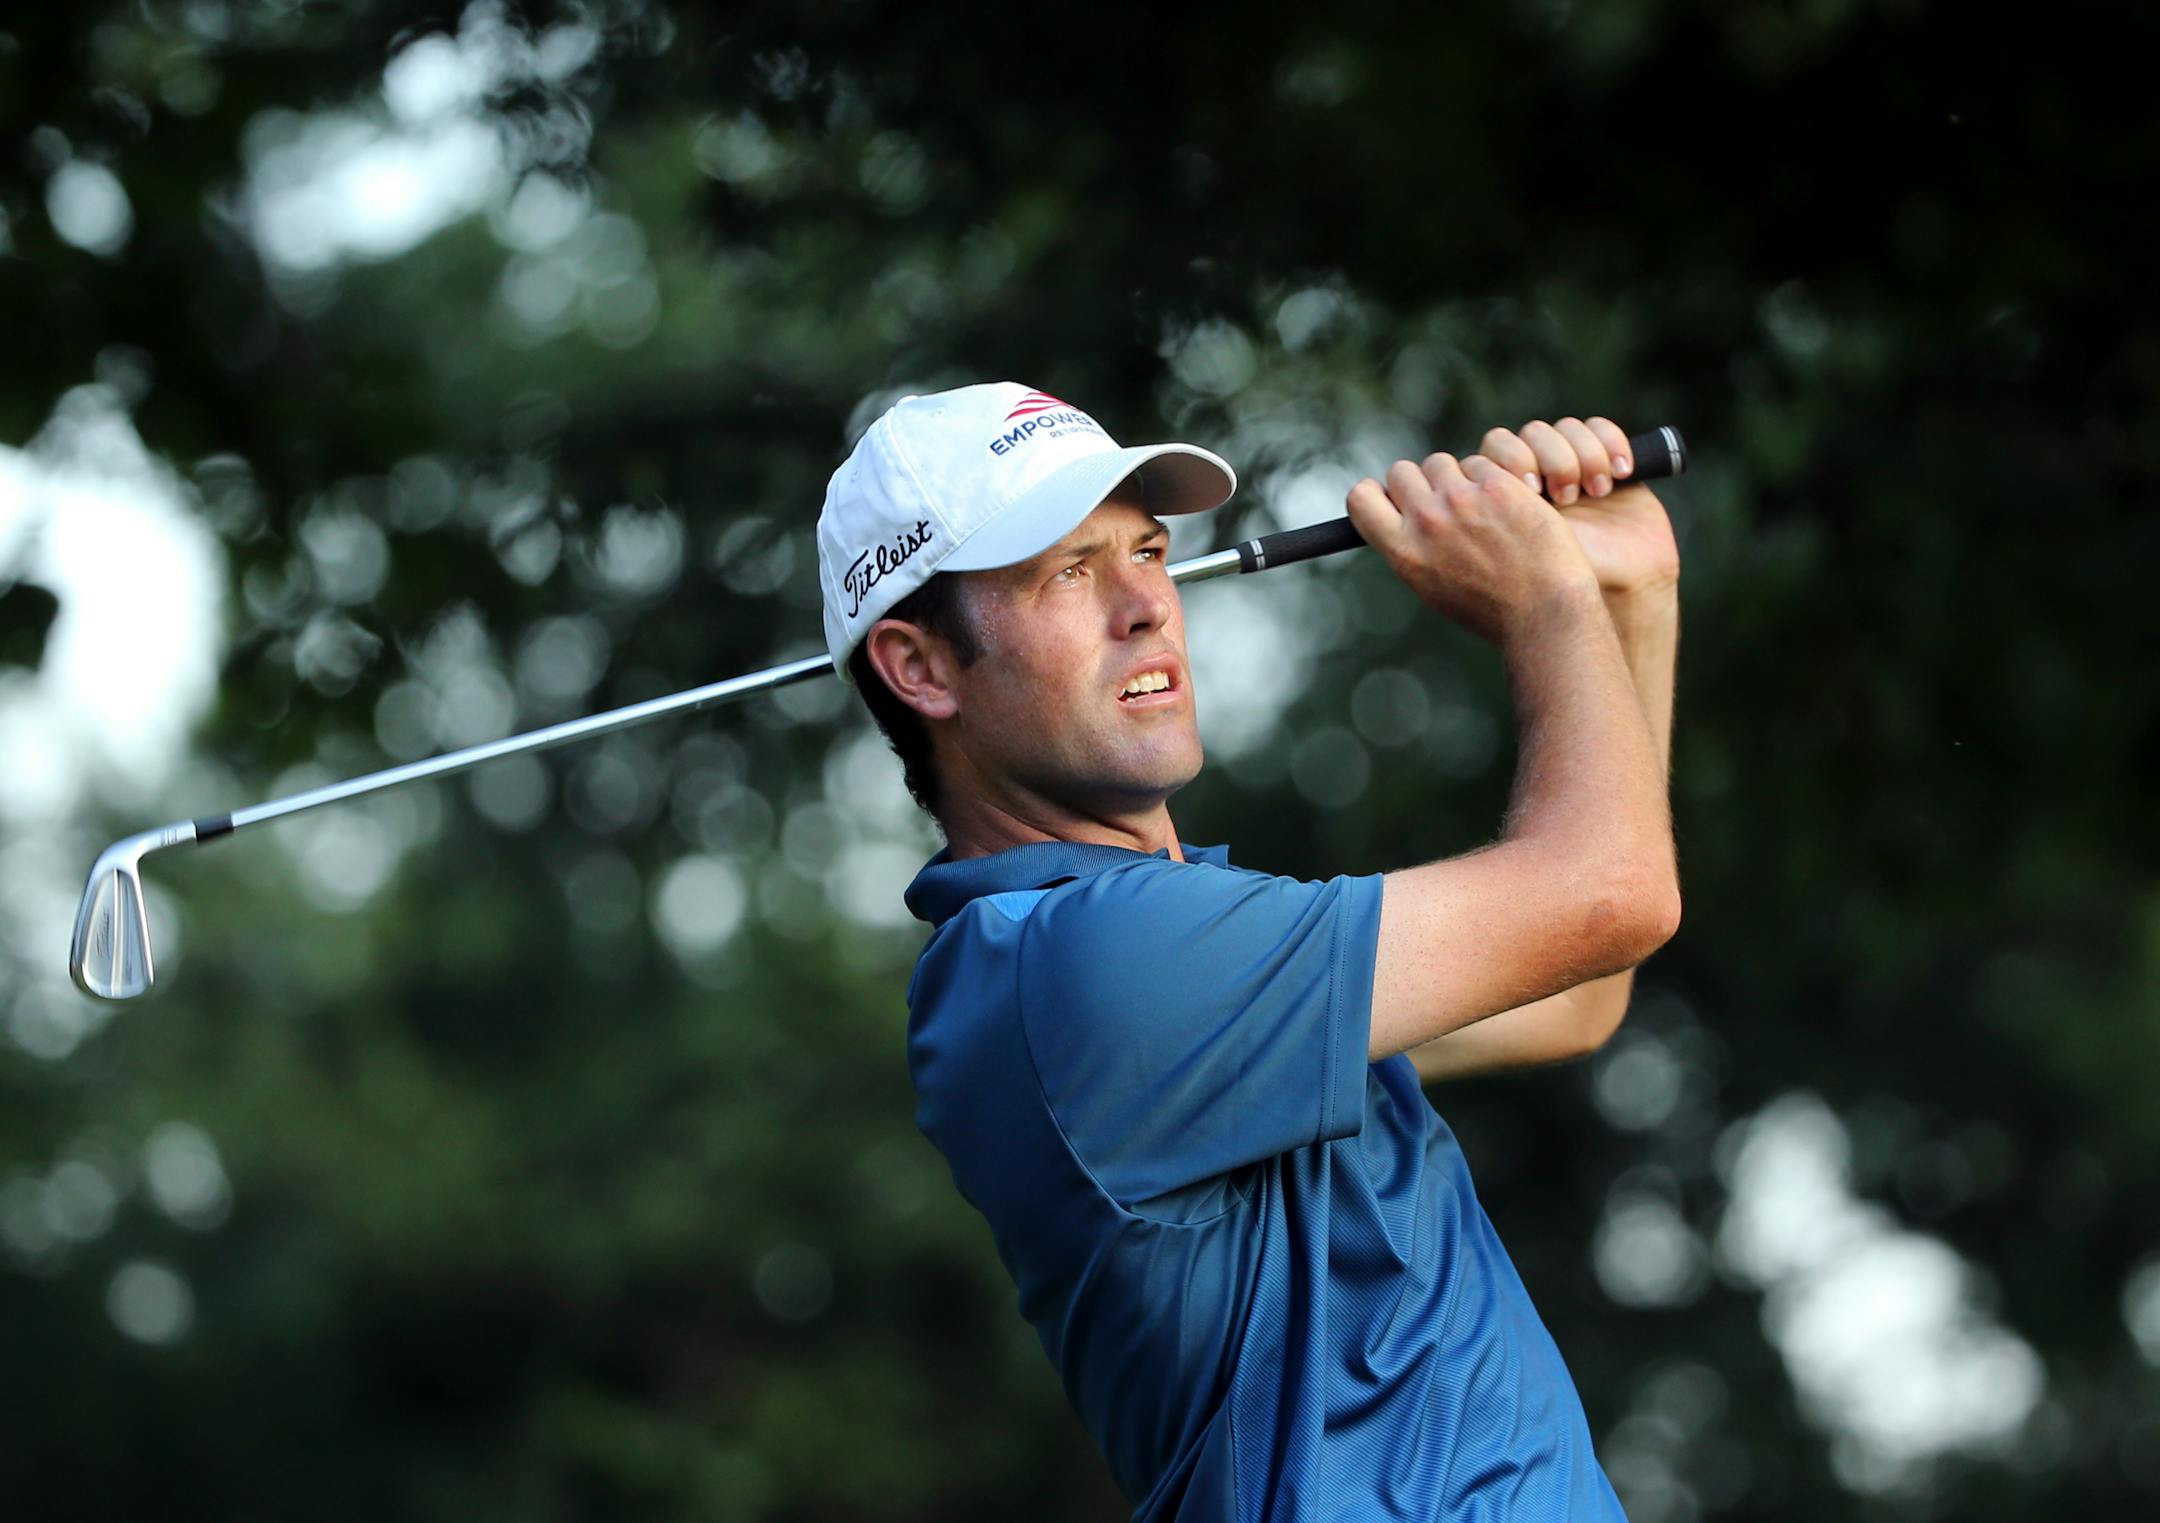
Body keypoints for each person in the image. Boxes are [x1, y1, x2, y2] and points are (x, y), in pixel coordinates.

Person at [815, 380, 1680, 1521]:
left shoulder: (1184, 936)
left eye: (1148, 549)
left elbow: (1578, 990)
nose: (1146, 606)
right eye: (1066, 571)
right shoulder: (1080, 962)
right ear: (921, 667)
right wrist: (1548, 603)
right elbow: (1611, 895)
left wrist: (1631, 593)